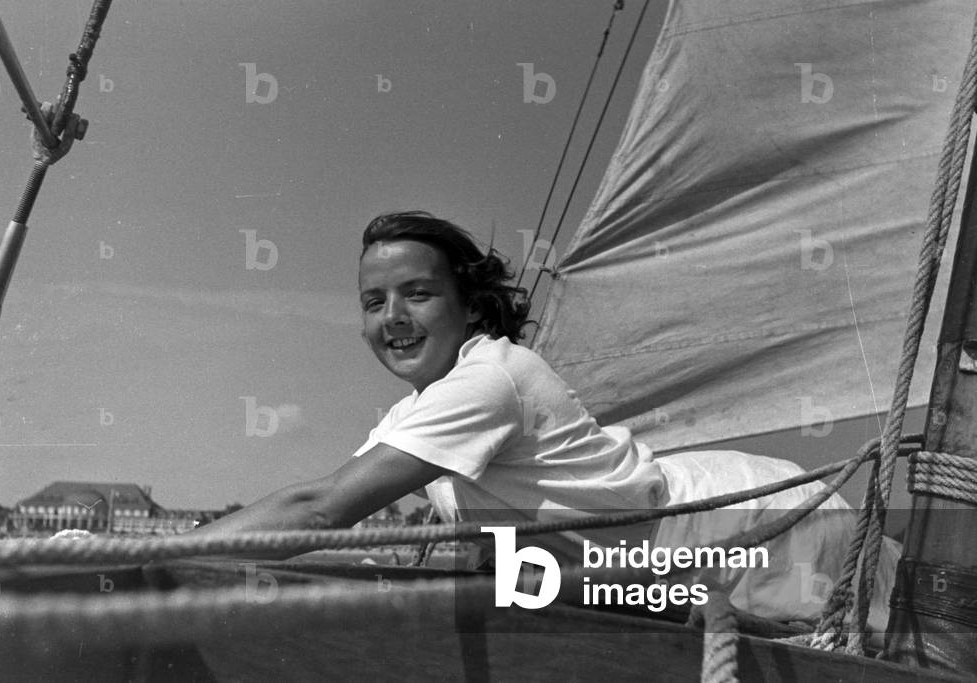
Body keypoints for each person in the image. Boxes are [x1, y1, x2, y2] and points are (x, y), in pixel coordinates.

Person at [194, 210, 899, 632]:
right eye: (373, 301)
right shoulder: (418, 412)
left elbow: (319, 512)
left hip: (757, 525)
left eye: (417, 294)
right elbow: (324, 497)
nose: (393, 319)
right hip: (651, 554)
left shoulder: (488, 378)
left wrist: (152, 557)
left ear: (470, 306)